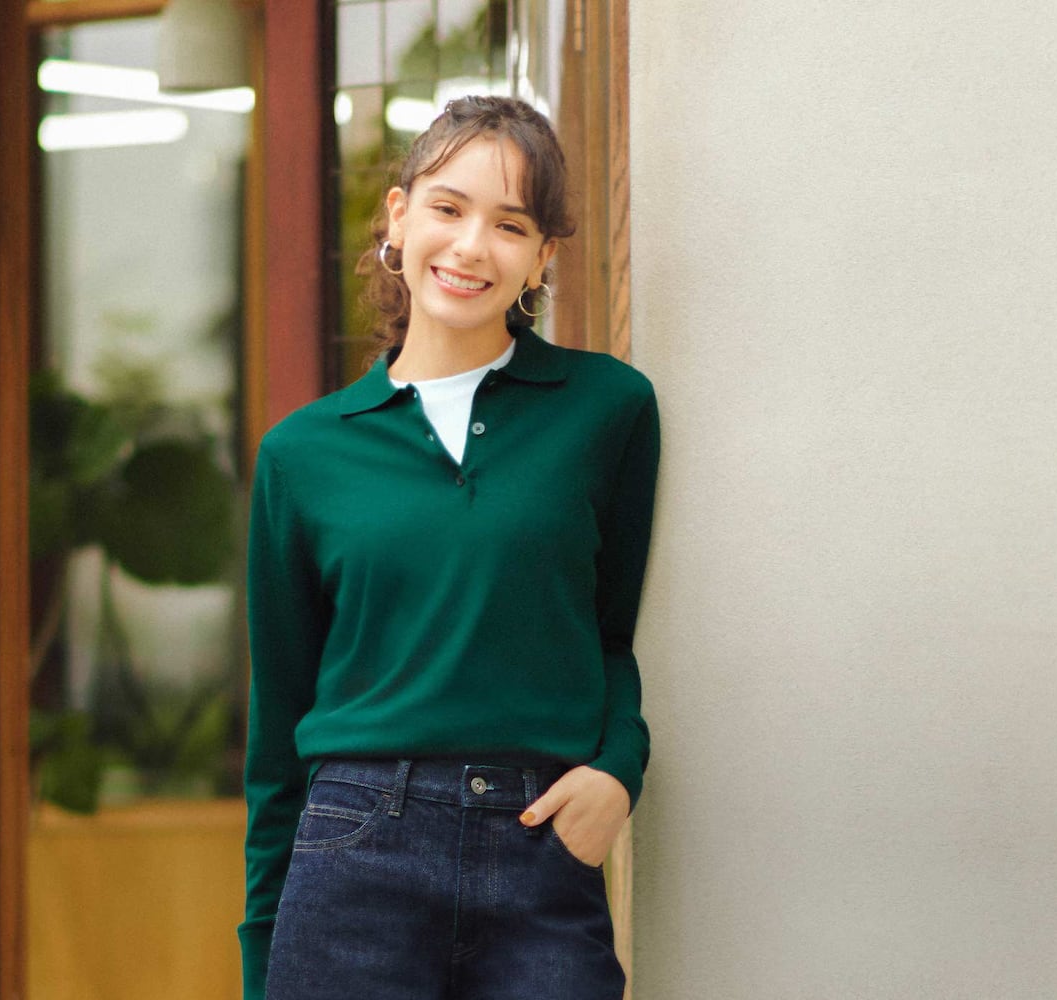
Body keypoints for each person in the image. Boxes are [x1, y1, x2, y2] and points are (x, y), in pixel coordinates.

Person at [238, 95, 661, 1000]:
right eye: (447, 207)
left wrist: (619, 771)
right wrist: (260, 956)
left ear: (544, 256)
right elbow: (276, 733)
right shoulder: (303, 454)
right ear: (399, 216)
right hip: (353, 849)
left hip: (541, 847)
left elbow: (612, 636)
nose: (471, 246)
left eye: (510, 224)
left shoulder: (609, 410)